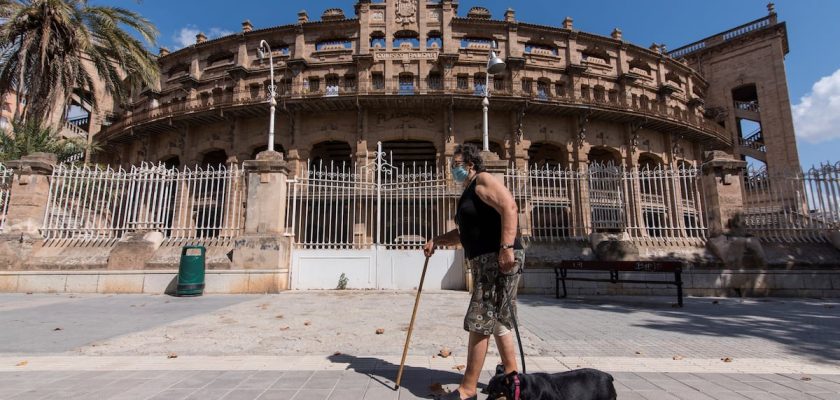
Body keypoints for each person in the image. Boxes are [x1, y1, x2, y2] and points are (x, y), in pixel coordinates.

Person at [423, 143, 525, 400]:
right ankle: (513, 381)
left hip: (498, 257)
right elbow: (464, 233)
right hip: (486, 259)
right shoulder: (469, 191)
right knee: (499, 320)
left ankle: (467, 390)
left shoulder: (482, 180)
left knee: (480, 318)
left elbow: (510, 208)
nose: (452, 169)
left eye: (456, 164)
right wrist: (437, 240)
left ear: (470, 164)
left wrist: (506, 248)